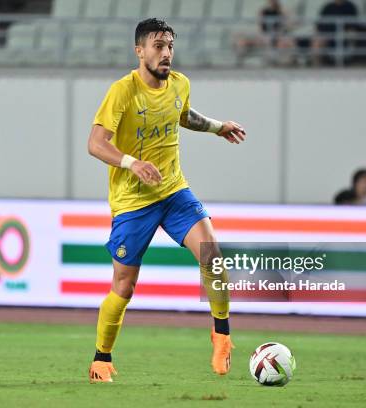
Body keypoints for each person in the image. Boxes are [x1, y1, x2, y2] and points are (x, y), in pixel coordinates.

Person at [86, 18, 246, 383]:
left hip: (173, 191)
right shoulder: (122, 91)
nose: (166, 53)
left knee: (213, 257)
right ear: (139, 50)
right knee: (124, 286)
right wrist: (132, 162)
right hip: (132, 202)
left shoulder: (180, 84)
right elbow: (95, 143)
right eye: (158, 45)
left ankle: (222, 336)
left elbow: (182, 114)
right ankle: (101, 360)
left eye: (170, 45)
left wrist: (217, 126)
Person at [311, 0, 359, 66]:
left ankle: (352, 61)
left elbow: (353, 25)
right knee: (317, 41)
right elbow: (319, 24)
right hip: (328, 35)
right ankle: (316, 65)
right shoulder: (328, 7)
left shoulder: (350, 6)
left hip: (343, 34)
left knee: (352, 35)